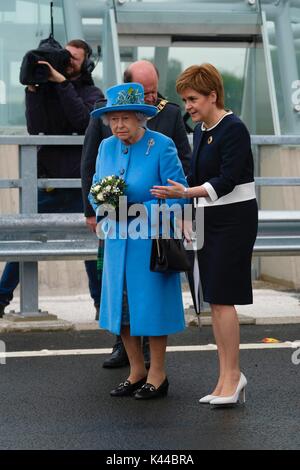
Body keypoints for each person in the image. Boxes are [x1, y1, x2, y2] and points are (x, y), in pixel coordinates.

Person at [151, 63, 258, 407]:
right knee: (214, 299)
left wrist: (187, 194)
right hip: (208, 218)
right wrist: (188, 211)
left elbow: (227, 180)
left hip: (235, 220)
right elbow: (197, 174)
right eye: (184, 100)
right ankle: (226, 377)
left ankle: (234, 375)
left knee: (224, 298)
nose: (189, 106)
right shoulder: (201, 130)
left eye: (193, 99)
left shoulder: (234, 128)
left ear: (213, 95)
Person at [81, 59, 191, 368]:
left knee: (152, 311)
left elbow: (179, 194)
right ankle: (136, 371)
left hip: (151, 242)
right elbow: (95, 187)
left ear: (140, 118)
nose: (118, 126)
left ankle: (157, 374)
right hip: (117, 241)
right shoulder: (106, 147)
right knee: (123, 310)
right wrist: (102, 203)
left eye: (124, 119)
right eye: (113, 120)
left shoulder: (162, 145)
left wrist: (142, 210)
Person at [0, 39, 103, 319]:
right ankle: (0, 299)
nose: (67, 62)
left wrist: (62, 84)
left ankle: (101, 304)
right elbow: (36, 128)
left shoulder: (93, 93)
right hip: (49, 182)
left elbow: (84, 121)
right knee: (25, 240)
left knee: (91, 248)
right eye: (64, 56)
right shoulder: (44, 92)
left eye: (74, 59)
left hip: (81, 184)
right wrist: (34, 89)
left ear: (86, 65)